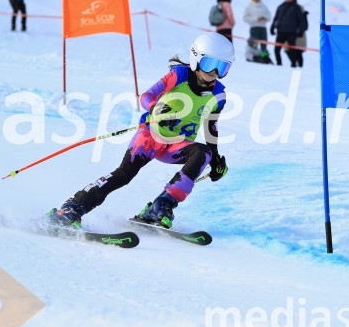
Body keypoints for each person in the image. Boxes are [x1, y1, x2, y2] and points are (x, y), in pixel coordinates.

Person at [47, 33, 234, 230]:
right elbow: (146, 96)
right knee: (124, 175)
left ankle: (161, 206)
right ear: (196, 58)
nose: (214, 72)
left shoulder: (218, 95)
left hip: (178, 146)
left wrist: (215, 158)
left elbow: (210, 127)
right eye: (209, 64)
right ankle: (72, 207)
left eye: (222, 67)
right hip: (150, 137)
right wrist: (155, 108)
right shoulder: (179, 75)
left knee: (202, 153)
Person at [270, 0, 308, 67]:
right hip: (281, 32)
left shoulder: (297, 8)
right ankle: (279, 64)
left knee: (293, 50)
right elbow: (276, 18)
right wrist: (272, 27)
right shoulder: (281, 7)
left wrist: (301, 30)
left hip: (292, 33)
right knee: (277, 49)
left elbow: (301, 20)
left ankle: (294, 65)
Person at [242, 0, 272, 64]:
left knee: (264, 43)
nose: (256, 0)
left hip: (263, 27)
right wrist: (255, 19)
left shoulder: (264, 6)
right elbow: (245, 18)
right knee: (253, 43)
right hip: (254, 26)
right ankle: (253, 57)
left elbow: (269, 16)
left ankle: (264, 57)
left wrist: (264, 18)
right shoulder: (249, 6)